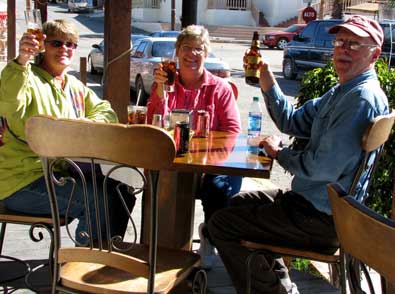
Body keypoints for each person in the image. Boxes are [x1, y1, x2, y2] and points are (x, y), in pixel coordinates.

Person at [207, 15, 389, 294]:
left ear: (374, 54)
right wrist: (267, 79)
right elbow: (292, 121)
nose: (343, 49)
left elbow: (321, 169)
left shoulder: (360, 99)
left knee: (222, 225)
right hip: (310, 205)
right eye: (340, 41)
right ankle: (279, 283)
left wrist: (281, 153)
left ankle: (269, 290)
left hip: (321, 220)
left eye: (354, 44)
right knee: (233, 206)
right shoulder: (343, 90)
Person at [0, 19, 134, 244]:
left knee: (122, 191)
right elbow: (10, 104)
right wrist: (22, 60)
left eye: (70, 44)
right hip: (21, 181)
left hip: (60, 174)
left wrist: (82, 124)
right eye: (56, 43)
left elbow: (106, 111)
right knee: (98, 201)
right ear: (43, 46)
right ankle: (81, 268)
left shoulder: (73, 85)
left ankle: (109, 257)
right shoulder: (26, 78)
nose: (65, 49)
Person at [146, 25, 242, 267]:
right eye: (186, 47)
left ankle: (209, 238)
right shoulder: (166, 84)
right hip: (173, 161)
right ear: (177, 52)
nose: (192, 54)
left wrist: (207, 155)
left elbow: (232, 131)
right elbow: (152, 124)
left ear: (206, 54)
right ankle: (156, 246)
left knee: (218, 188)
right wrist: (159, 90)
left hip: (210, 162)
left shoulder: (220, 88)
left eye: (198, 49)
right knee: (152, 180)